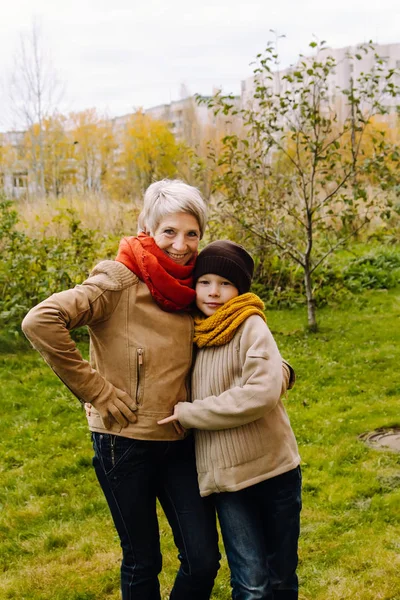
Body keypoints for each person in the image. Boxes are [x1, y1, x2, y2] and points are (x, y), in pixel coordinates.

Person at [21, 179, 221, 600]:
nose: (181, 244)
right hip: (123, 441)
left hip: (181, 438)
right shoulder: (118, 281)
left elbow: (230, 330)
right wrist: (96, 390)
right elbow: (41, 321)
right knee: (143, 561)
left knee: (203, 559)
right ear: (148, 228)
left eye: (191, 233)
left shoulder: (195, 285)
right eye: (169, 231)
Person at [159, 240, 301, 600]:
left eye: (225, 283)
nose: (214, 292)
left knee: (281, 577)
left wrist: (193, 414)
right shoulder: (186, 333)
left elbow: (259, 394)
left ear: (240, 290)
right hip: (226, 479)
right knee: (250, 584)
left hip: (275, 469)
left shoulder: (250, 325)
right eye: (205, 281)